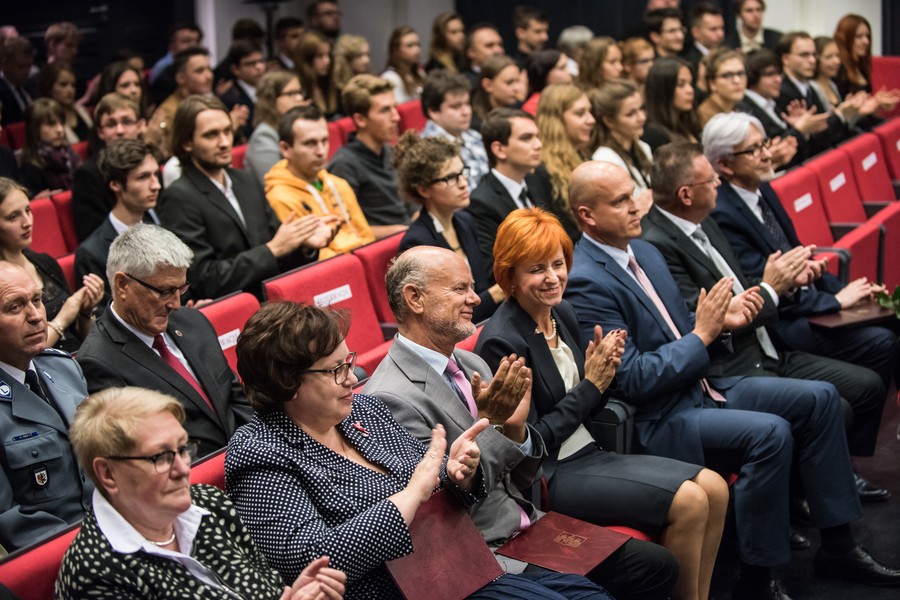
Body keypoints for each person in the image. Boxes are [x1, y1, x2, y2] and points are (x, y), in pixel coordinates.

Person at [564, 160, 900, 598]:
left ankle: (839, 546)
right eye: (620, 201)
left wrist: (723, 321)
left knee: (820, 398)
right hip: (660, 416)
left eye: (633, 194)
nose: (635, 206)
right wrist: (704, 334)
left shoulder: (644, 251)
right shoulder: (585, 281)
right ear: (587, 215)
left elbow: (681, 327)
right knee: (770, 434)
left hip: (703, 387)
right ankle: (757, 580)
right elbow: (633, 378)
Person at [227, 301, 614, 600]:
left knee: (592, 595)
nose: (351, 378)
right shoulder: (260, 452)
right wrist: (412, 494)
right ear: (287, 382)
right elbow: (311, 559)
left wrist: (459, 471)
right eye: (334, 370)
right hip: (396, 593)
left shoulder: (364, 411)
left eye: (348, 362)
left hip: (457, 570)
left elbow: (436, 480)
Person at [364, 246, 680, 600]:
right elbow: (443, 507)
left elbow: (521, 476)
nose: (475, 299)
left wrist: (515, 431)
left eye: (472, 287)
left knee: (658, 565)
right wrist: (493, 424)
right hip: (482, 551)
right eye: (460, 289)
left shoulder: (471, 364)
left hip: (527, 523)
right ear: (415, 299)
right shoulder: (388, 397)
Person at [478, 207, 728, 600]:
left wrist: (604, 375)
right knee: (691, 500)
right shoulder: (502, 341)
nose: (552, 277)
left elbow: (589, 404)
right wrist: (592, 385)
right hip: (549, 474)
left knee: (715, 487)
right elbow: (530, 444)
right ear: (509, 277)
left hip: (590, 451)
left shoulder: (562, 312)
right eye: (536, 269)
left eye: (558, 264)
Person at [643, 142, 891, 500]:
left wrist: (788, 282)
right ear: (686, 194)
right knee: (834, 406)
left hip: (767, 346)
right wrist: (771, 287)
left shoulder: (704, 219)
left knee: (867, 385)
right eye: (711, 180)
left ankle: (819, 481)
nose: (719, 184)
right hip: (731, 366)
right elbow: (705, 320)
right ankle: (814, 495)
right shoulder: (657, 245)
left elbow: (742, 283)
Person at [57, 385, 348, 599]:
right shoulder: (95, 570)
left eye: (182, 449)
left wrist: (298, 592)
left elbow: (270, 590)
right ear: (108, 474)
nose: (182, 468)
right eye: (161, 457)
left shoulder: (209, 503)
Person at [704, 112, 900, 394]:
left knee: (890, 315)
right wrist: (834, 301)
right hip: (785, 325)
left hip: (809, 303)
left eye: (765, 144)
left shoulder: (762, 188)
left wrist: (848, 292)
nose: (767, 154)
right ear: (725, 164)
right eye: (754, 150)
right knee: (881, 341)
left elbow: (801, 257)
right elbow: (763, 288)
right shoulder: (722, 214)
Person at [76, 224, 254, 458]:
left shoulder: (194, 322)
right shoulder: (98, 363)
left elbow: (237, 401)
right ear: (122, 285)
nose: (176, 304)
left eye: (181, 289)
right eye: (165, 291)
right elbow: (146, 452)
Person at [158, 95, 331, 299]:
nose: (224, 142)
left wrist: (305, 246)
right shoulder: (179, 197)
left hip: (276, 302)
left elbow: (280, 251)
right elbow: (204, 279)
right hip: (235, 309)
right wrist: (271, 250)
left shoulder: (246, 180)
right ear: (187, 143)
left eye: (227, 131)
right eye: (211, 135)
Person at [0, 261, 93, 552]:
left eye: (37, 300)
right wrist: (92, 549)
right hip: (60, 553)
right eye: (15, 307)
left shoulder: (63, 367)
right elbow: (10, 520)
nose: (36, 316)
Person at [394, 132, 503, 322]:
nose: (463, 183)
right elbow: (441, 315)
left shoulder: (466, 221)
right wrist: (496, 294)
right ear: (424, 189)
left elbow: (482, 284)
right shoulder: (417, 243)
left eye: (462, 173)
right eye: (451, 178)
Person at [265, 105, 371, 259]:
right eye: (310, 143)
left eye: (325, 141)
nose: (321, 151)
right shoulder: (279, 197)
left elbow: (367, 237)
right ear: (285, 148)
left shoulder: (338, 184)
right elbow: (312, 259)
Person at [328, 74, 412, 239]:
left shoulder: (390, 151)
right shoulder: (344, 164)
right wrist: (404, 231)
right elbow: (347, 229)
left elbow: (411, 205)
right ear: (360, 119)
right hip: (384, 247)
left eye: (394, 107)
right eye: (385, 110)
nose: (396, 117)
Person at [466, 107, 552, 267]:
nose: (538, 144)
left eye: (537, 136)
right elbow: (497, 268)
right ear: (499, 149)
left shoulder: (537, 178)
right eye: (526, 138)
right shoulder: (481, 203)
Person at [75, 139, 161, 296]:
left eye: (156, 174)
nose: (156, 185)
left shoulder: (161, 233)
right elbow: (104, 309)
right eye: (143, 177)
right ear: (115, 185)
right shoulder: (92, 254)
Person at [72, 93, 149, 242]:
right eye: (111, 124)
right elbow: (93, 236)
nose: (120, 130)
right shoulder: (87, 175)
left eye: (127, 122)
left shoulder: (150, 163)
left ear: (140, 126)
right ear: (100, 132)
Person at [738, 49, 828, 169]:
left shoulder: (771, 103)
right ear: (752, 77)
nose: (778, 80)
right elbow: (768, 149)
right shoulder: (745, 109)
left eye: (779, 74)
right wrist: (799, 130)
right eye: (770, 74)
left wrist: (797, 128)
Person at [775, 31, 850, 157]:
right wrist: (841, 116)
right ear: (786, 59)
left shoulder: (810, 87)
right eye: (804, 55)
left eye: (814, 54)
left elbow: (824, 132)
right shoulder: (781, 92)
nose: (812, 60)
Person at [536, 83, 595, 241]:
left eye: (589, 112)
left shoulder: (584, 157)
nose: (591, 120)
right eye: (580, 113)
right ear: (557, 120)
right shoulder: (541, 170)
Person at [590, 80, 653, 217]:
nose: (641, 117)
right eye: (631, 114)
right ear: (609, 121)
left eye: (641, 109)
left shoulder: (643, 147)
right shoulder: (604, 160)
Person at [420, 70, 489, 190]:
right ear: (433, 111)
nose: (466, 112)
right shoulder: (426, 150)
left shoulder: (473, 135)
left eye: (467, 104)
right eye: (456, 106)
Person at [146, 47, 215, 160]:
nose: (209, 76)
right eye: (200, 71)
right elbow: (172, 152)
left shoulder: (209, 101)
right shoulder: (169, 112)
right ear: (181, 78)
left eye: (209, 69)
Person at [245, 71, 309, 186]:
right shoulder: (264, 136)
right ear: (272, 99)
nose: (299, 98)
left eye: (300, 92)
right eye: (291, 93)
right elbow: (275, 183)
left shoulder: (296, 128)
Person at [18, 98, 80, 196]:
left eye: (61, 123)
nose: (60, 129)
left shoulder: (70, 155)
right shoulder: (30, 168)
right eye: (51, 124)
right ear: (35, 129)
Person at [218, 40, 265, 144]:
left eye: (261, 61)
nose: (259, 67)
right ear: (235, 69)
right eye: (251, 63)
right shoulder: (229, 98)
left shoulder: (270, 91)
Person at [36, 62, 92, 142]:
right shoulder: (45, 118)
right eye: (63, 85)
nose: (70, 90)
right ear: (49, 88)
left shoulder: (81, 110)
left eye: (73, 85)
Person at [697, 48, 748, 127]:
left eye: (741, 73)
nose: (737, 80)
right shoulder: (705, 117)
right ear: (712, 83)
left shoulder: (740, 109)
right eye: (727, 75)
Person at [471, 55, 523, 131]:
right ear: (488, 85)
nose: (517, 88)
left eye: (517, 81)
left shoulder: (519, 109)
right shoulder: (474, 122)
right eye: (509, 82)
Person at [296, 33, 339, 120]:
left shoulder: (333, 86)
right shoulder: (298, 90)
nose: (327, 61)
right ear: (307, 59)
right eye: (320, 56)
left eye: (328, 55)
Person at [381, 26, 425, 104]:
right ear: (396, 50)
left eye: (418, 44)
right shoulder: (390, 78)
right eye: (410, 45)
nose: (417, 50)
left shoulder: (420, 73)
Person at [522, 49, 573, 116]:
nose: (569, 72)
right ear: (544, 74)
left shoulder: (570, 96)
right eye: (562, 68)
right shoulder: (534, 106)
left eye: (567, 66)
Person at [0, 36, 35, 124]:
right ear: (4, 63)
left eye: (29, 66)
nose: (26, 71)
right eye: (21, 66)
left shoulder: (30, 85)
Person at [681, 2, 725, 71]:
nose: (720, 34)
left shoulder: (727, 54)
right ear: (696, 32)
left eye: (722, 28)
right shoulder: (687, 62)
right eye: (713, 29)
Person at [462, 23, 505, 89]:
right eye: (489, 45)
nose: (498, 50)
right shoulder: (464, 83)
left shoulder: (515, 76)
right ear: (471, 52)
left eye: (500, 45)